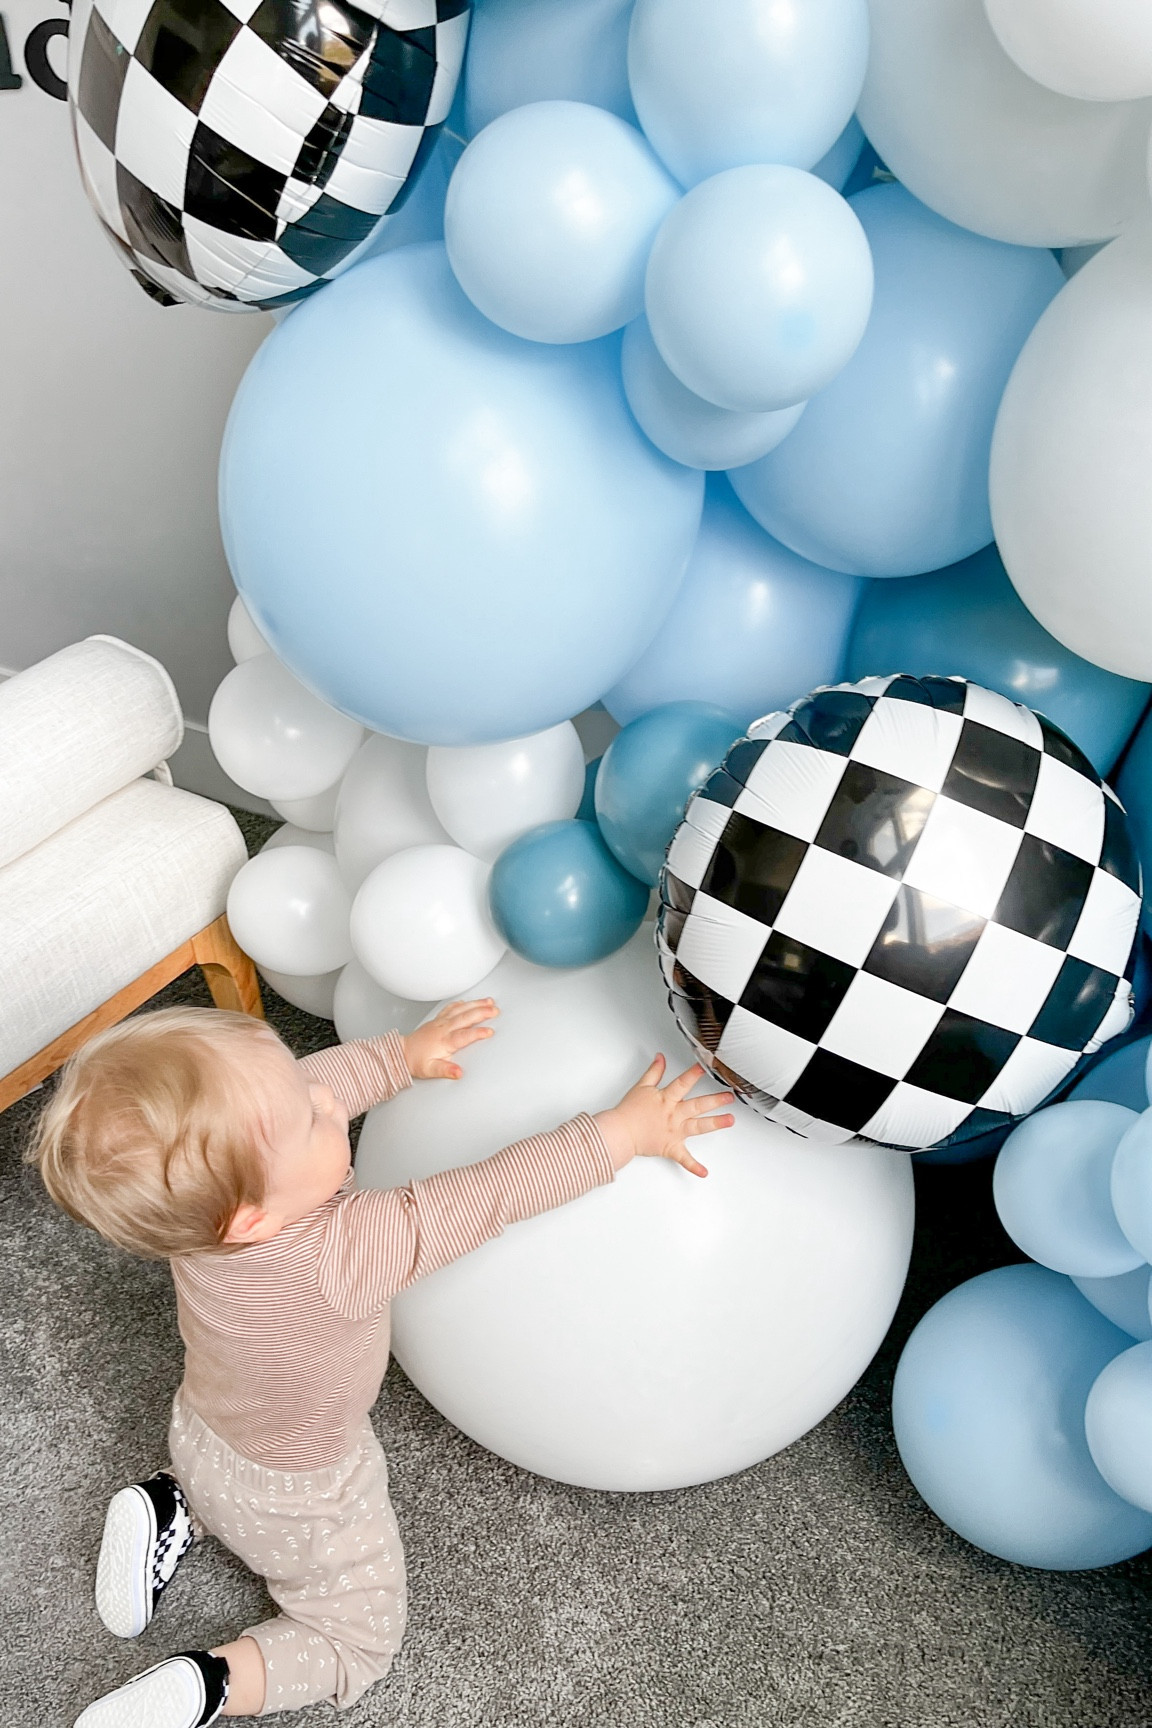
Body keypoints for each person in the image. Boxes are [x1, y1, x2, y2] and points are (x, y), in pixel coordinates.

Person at [27, 998, 734, 1726]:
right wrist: (622, 1132)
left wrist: (398, 1058)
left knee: (220, 1480)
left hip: (204, 1431)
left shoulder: (192, 1226)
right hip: (304, 1496)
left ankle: (171, 1502)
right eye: (309, 1119)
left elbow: (293, 1089)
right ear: (253, 1219)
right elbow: (492, 1194)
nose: (326, 1095)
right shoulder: (346, 1251)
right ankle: (214, 1684)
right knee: (359, 1640)